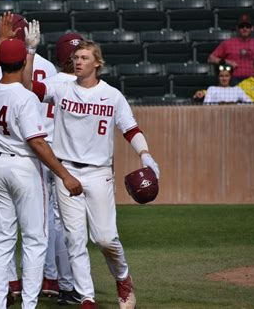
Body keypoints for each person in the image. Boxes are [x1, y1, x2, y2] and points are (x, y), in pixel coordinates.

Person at [30, 40, 160, 309]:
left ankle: (123, 277)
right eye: (76, 57)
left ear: (97, 63)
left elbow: (130, 129)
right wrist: (30, 52)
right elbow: (29, 87)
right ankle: (86, 297)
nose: (78, 61)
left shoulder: (112, 95)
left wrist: (145, 155)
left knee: (105, 238)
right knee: (74, 239)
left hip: (99, 172)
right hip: (66, 171)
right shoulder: (61, 87)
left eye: (85, 57)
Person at [0, 12, 83, 309]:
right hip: (24, 166)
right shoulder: (25, 97)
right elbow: (36, 142)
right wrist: (64, 174)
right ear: (25, 63)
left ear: (2, 62)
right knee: (36, 240)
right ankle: (28, 304)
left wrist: (1, 41)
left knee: (2, 240)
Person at [39, 32, 84, 306]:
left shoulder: (46, 84)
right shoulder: (85, 86)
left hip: (40, 155)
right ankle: (67, 283)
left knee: (44, 222)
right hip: (68, 160)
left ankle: (50, 277)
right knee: (68, 224)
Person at [208, 13, 254, 84]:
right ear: (237, 28)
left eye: (247, 26)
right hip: (234, 79)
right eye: (241, 26)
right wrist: (226, 62)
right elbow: (211, 58)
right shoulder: (228, 43)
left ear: (252, 28)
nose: (244, 28)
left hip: (252, 79)